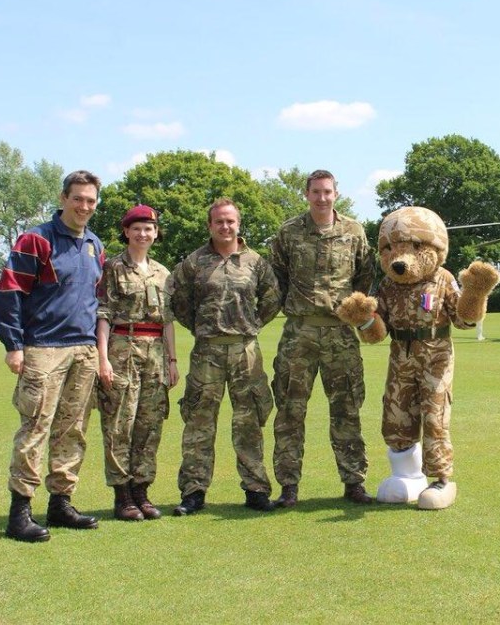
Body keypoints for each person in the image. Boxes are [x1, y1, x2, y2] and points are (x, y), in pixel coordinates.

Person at [0, 170, 105, 543]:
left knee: (73, 429)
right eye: (78, 198)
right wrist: (14, 345)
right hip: (43, 348)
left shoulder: (94, 244)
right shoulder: (36, 240)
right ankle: (19, 512)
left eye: (91, 200)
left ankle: (61, 503)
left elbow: (95, 298)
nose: (84, 206)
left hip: (83, 349)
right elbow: (9, 293)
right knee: (35, 427)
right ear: (63, 198)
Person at [269, 169, 376, 507]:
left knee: (347, 409)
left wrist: (356, 311)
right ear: (307, 194)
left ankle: (354, 482)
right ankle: (288, 486)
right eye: (315, 192)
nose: (322, 198)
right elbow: (276, 279)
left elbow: (365, 276)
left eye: (327, 191)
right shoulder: (288, 233)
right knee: (289, 410)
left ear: (336, 194)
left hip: (341, 332)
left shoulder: (354, 231)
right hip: (299, 332)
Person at [167, 199, 281, 514]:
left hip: (246, 351)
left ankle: (256, 489)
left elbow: (272, 297)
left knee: (249, 422)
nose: (225, 226)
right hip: (207, 352)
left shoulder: (255, 262)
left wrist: (253, 323)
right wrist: (200, 326)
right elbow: (178, 298)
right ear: (210, 226)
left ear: (238, 224)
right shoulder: (194, 262)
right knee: (199, 423)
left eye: (230, 221)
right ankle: (193, 492)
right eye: (219, 222)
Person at [95, 205, 179, 521]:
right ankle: (122, 494)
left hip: (155, 351)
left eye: (149, 229)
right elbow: (103, 314)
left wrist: (172, 360)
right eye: (137, 228)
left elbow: (168, 321)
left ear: (156, 233)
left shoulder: (162, 272)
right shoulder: (112, 267)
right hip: (121, 346)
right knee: (120, 422)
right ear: (127, 232)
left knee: (150, 421)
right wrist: (102, 359)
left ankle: (142, 490)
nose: (143, 234)